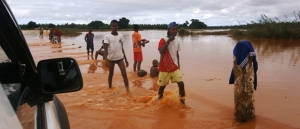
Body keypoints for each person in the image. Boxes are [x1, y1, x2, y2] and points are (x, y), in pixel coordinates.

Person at [229, 40, 258, 122]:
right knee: (244, 98)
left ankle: (243, 118)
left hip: (245, 83)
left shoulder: (248, 61)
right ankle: (245, 118)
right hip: (243, 83)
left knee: (244, 98)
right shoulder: (250, 58)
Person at [156, 22, 185, 104]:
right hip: (165, 68)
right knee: (162, 87)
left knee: (181, 85)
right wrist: (169, 40)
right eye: (173, 29)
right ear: (168, 30)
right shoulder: (163, 39)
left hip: (175, 67)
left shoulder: (178, 41)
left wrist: (178, 65)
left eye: (176, 29)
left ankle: (183, 103)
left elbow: (177, 54)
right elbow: (161, 51)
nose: (175, 31)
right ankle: (159, 101)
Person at [103, 20, 129, 91]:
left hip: (120, 58)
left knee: (124, 74)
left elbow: (122, 48)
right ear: (110, 27)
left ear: (118, 27)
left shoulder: (121, 36)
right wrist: (106, 60)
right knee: (111, 74)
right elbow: (105, 48)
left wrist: (126, 60)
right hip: (111, 59)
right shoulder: (107, 36)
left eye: (115, 26)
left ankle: (127, 90)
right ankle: (110, 87)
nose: (114, 27)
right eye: (113, 26)